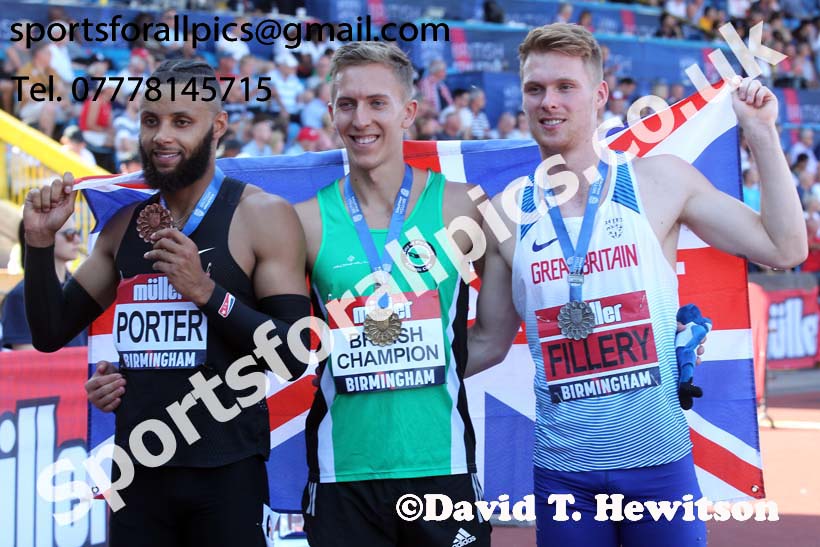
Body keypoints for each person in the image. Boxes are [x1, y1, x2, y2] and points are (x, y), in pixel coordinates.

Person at [467, 23, 806, 546]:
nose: (548, 102)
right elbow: (487, 343)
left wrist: (761, 133)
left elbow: (785, 249)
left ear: (600, 95)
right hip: (565, 476)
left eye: (565, 87)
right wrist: (398, 364)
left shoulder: (658, 181)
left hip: (659, 466)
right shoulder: (510, 215)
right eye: (535, 89)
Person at [24, 59, 310, 547]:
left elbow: (294, 354)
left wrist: (207, 294)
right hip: (139, 469)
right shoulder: (122, 227)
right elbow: (50, 333)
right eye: (151, 120)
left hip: (227, 470)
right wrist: (38, 242)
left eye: (182, 121)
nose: (162, 136)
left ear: (217, 126)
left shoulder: (263, 216)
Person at [293, 41, 490, 547]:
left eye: (377, 103)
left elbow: (507, 317)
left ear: (408, 113)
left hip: (440, 467)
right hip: (343, 477)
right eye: (347, 104)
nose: (362, 119)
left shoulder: (458, 206)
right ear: (333, 111)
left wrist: (431, 363)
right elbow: (270, 339)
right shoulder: (306, 221)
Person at [2, 219, 86, 350]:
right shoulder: (20, 295)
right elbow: (28, 359)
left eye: (78, 232)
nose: (77, 240)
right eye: (69, 234)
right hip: (54, 370)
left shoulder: (82, 289)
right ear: (43, 236)